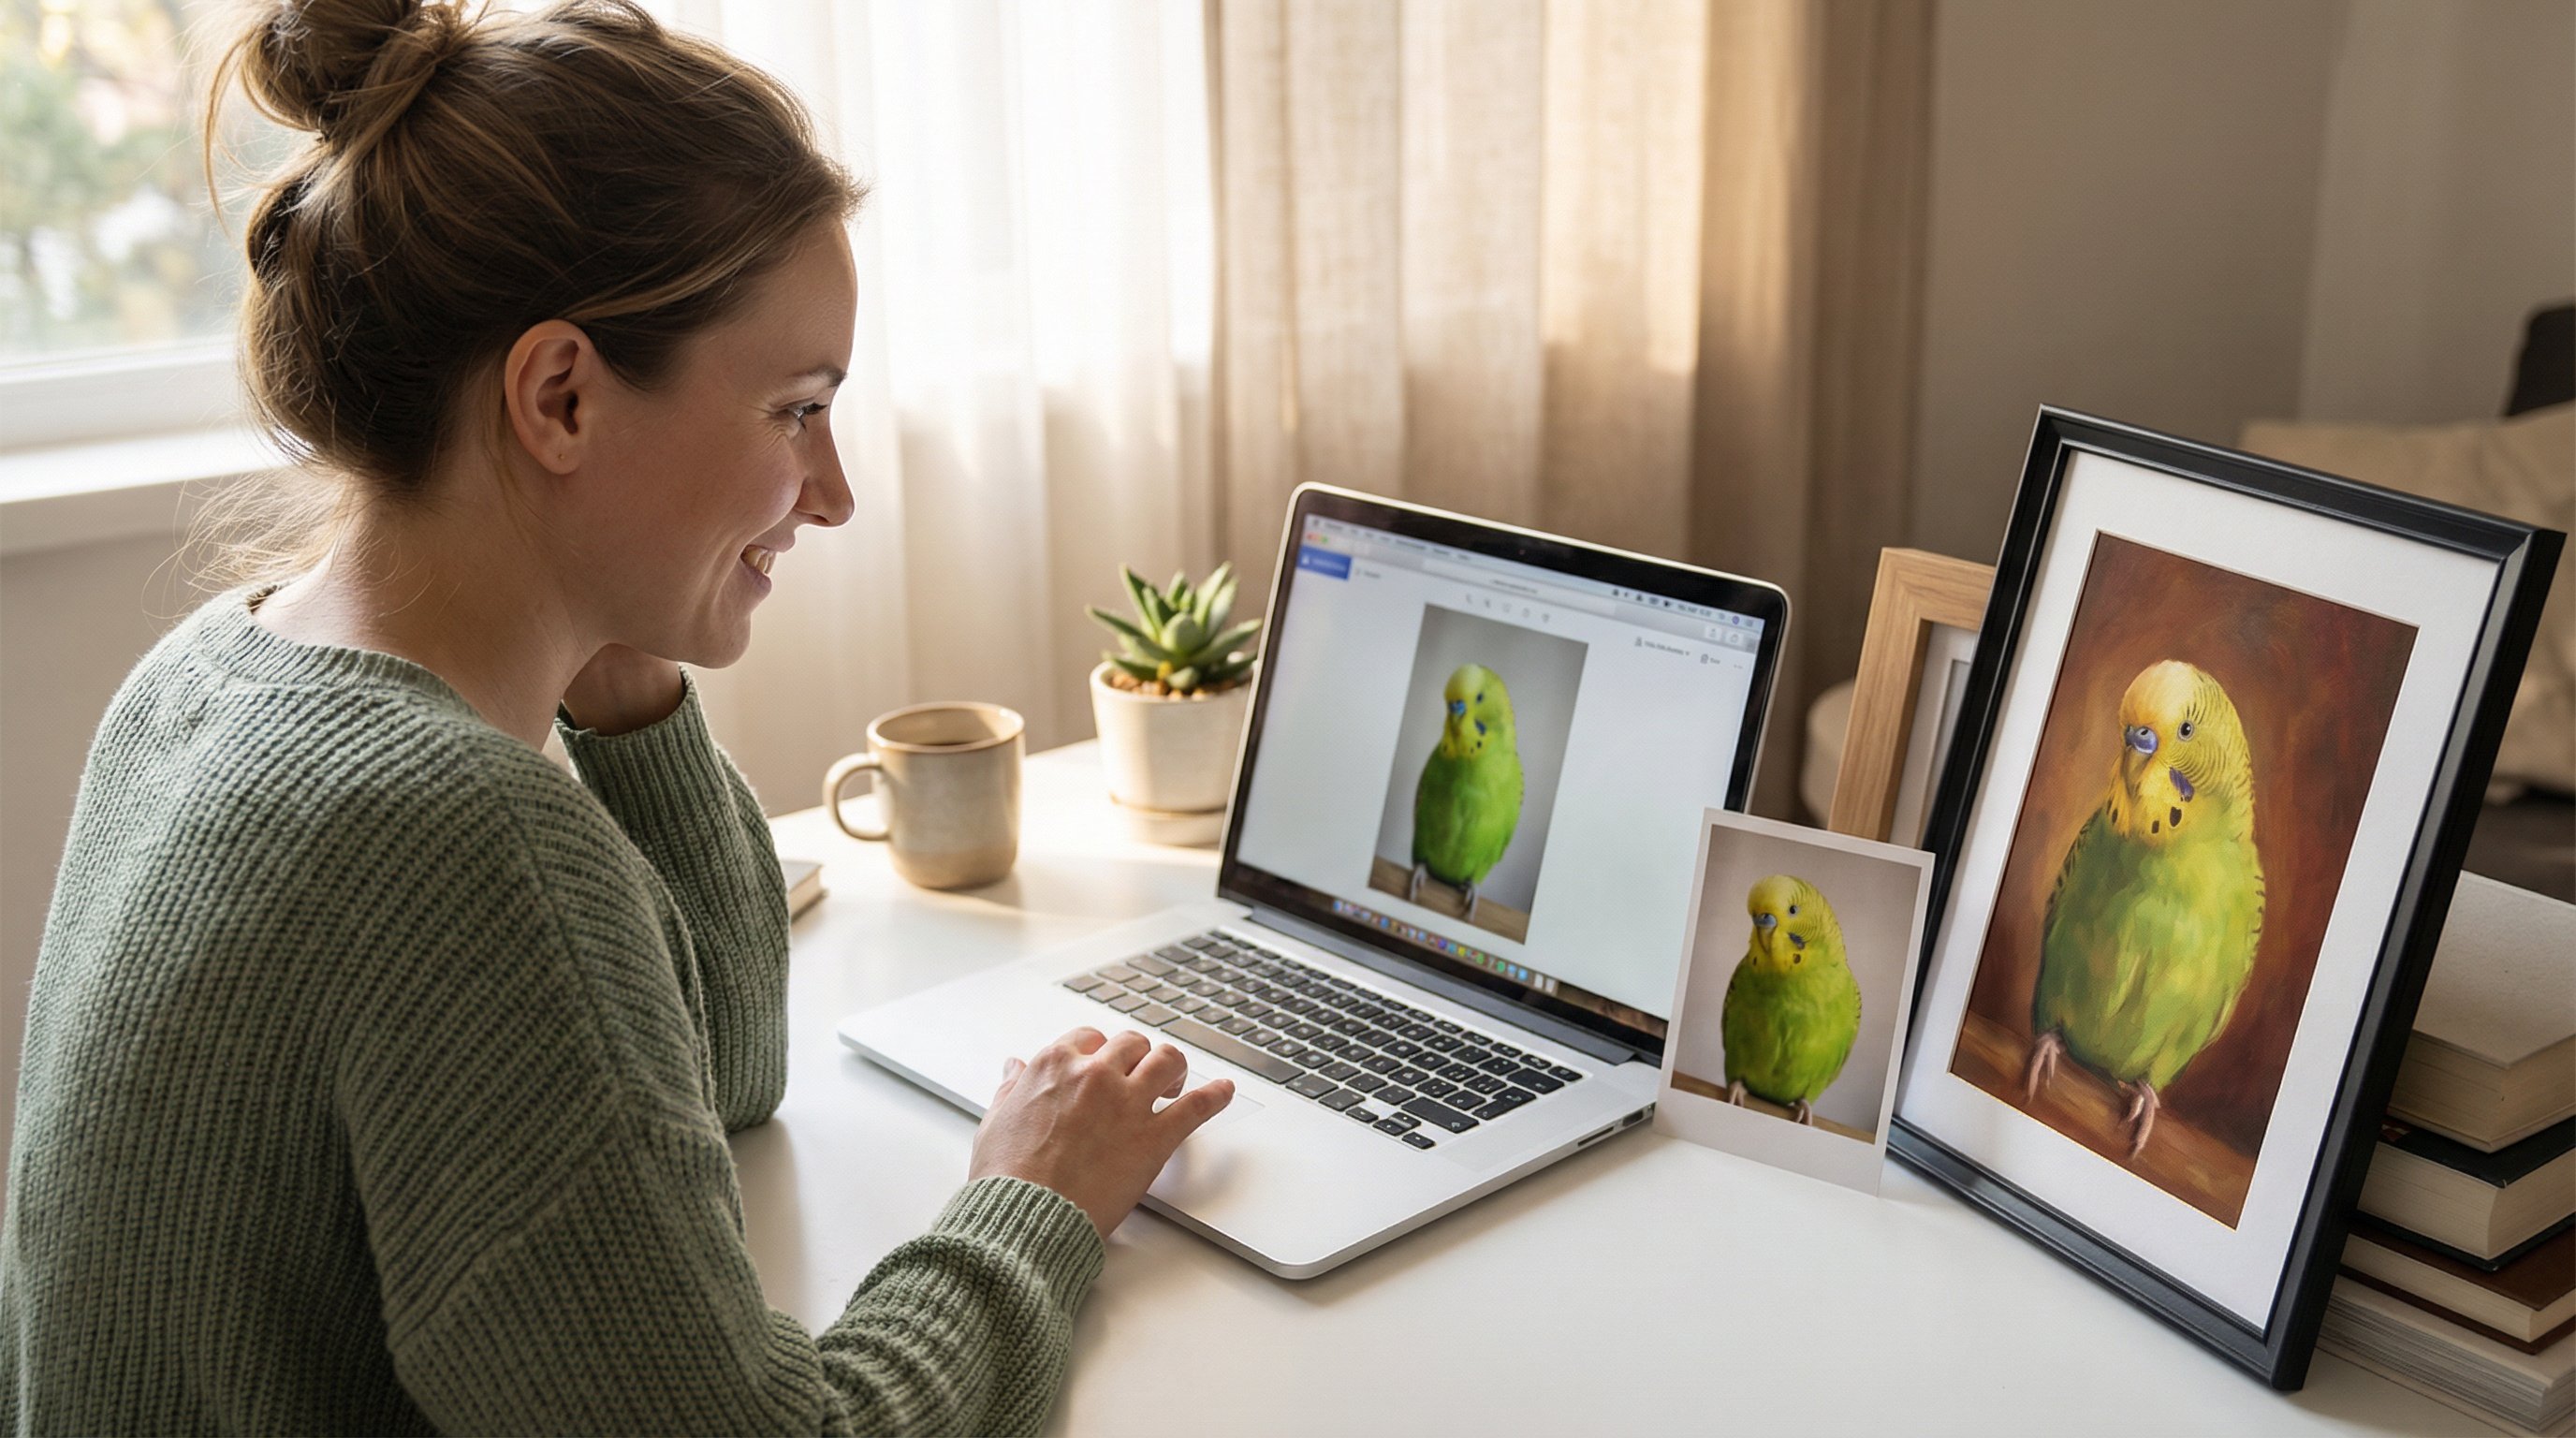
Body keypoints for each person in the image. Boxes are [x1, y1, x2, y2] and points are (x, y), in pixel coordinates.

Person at [0, 0, 1231, 1431]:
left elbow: (722, 1073)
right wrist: (1034, 1198)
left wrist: (618, 650)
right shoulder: (462, 846)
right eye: (793, 411)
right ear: (562, 398)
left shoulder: (209, 675)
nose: (831, 491)